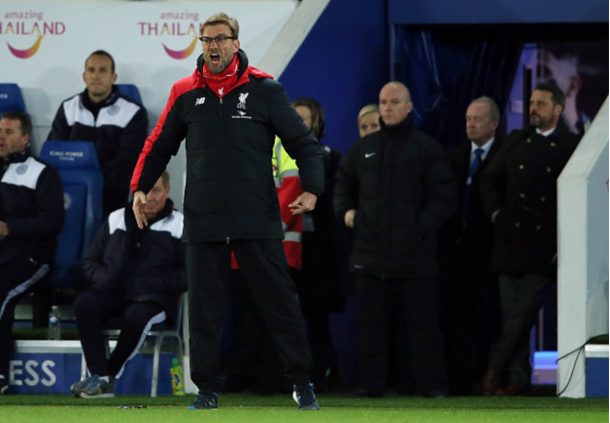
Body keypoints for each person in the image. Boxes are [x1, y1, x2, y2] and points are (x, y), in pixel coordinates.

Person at [130, 13, 324, 410]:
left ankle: (302, 384)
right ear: (201, 45)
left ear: (236, 44)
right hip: (204, 219)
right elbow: (158, 144)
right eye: (207, 40)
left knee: (281, 304)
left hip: (256, 217)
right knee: (204, 311)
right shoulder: (184, 91)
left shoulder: (265, 88)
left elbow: (303, 143)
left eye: (221, 39)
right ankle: (206, 390)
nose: (213, 46)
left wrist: (314, 188)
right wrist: (138, 187)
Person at [334, 82, 456, 398]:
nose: (387, 107)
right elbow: (342, 184)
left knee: (422, 327)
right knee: (370, 329)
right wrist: (347, 214)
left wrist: (418, 229)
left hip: (415, 257)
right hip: (369, 256)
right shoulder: (363, 149)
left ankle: (430, 386)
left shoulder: (426, 148)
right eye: (383, 102)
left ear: (409, 107)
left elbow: (444, 196)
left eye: (394, 102)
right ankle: (370, 385)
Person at [480, 83, 580, 396]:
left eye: (540, 103)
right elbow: (489, 177)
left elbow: (578, 197)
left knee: (522, 312)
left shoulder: (571, 145)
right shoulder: (515, 140)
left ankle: (495, 367)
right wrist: (495, 211)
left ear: (557, 110)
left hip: (544, 242)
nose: (533, 108)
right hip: (511, 240)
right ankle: (517, 379)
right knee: (513, 314)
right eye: (532, 102)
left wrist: (565, 242)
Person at [70, 172, 186, 399]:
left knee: (137, 315)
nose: (150, 198)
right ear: (135, 192)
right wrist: (104, 278)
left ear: (167, 192)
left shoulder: (180, 224)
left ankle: (105, 378)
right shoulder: (116, 219)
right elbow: (90, 261)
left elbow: (190, 273)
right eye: (145, 191)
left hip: (155, 298)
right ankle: (100, 377)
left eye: (157, 190)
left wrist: (157, 284)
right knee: (85, 303)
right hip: (114, 291)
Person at [437, 97, 503, 395]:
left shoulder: (506, 157)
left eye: (477, 119)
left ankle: (492, 377)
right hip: (455, 255)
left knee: (492, 319)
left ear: (494, 123)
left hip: (491, 254)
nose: (471, 124)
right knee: (456, 319)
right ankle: (460, 381)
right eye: (467, 118)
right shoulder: (451, 158)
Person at [0, 111, 65, 395]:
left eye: (9, 132)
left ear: (26, 138)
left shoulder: (42, 172)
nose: (1, 136)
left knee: (0, 294)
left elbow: (52, 222)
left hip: (31, 255)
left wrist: (8, 228)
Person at [47, 50, 149, 217]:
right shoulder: (68, 107)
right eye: (91, 70)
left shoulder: (133, 112)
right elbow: (55, 152)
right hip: (69, 188)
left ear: (113, 77)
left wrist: (94, 179)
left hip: (112, 191)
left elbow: (128, 159)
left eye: (102, 70)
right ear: (84, 76)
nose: (96, 76)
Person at [292, 97, 345, 392]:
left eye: (306, 119)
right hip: (285, 253)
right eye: (295, 118)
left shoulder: (331, 159)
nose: (301, 124)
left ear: (317, 124)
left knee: (316, 321)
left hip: (318, 257)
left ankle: (325, 376)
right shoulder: (273, 158)